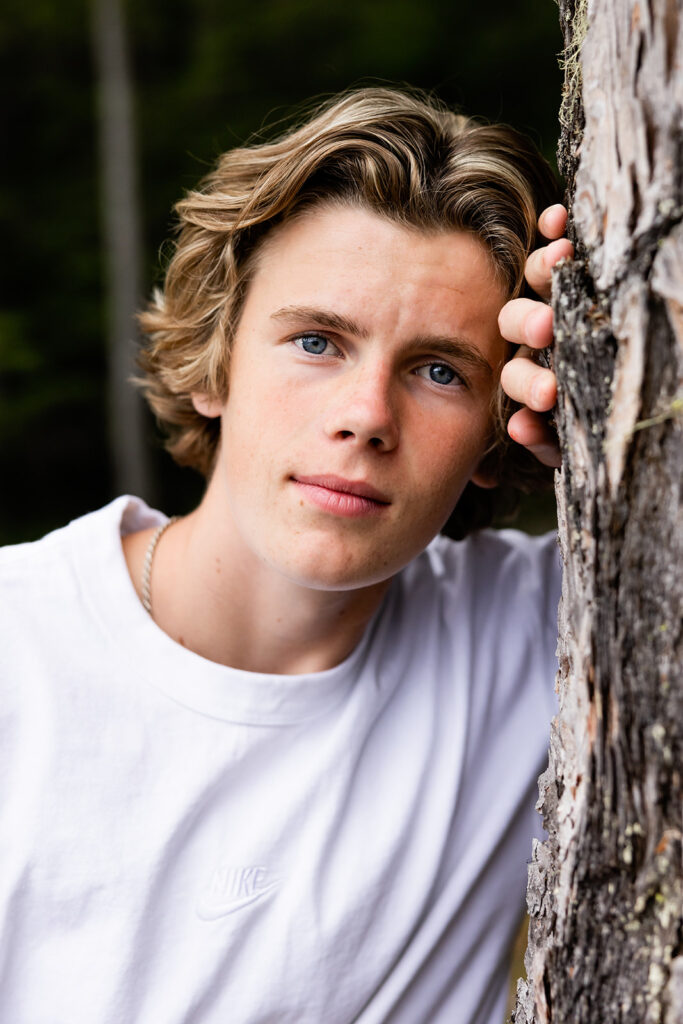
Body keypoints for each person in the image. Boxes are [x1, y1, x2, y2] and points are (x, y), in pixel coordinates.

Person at [0, 88, 573, 1023]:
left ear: (494, 426)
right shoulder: (16, 653)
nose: (366, 416)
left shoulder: (533, 637)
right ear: (219, 356)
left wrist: (616, 390)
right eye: (316, 342)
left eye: (439, 371)